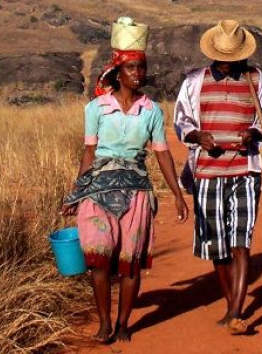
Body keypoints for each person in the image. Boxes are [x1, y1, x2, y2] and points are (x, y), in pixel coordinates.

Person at [62, 17, 189, 344]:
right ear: (118, 72)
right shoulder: (96, 108)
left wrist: (177, 194)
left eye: (141, 68)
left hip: (136, 192)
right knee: (99, 261)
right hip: (98, 190)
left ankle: (123, 324)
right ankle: (105, 323)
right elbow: (89, 153)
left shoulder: (151, 111)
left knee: (130, 264)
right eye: (131, 68)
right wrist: (76, 193)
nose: (138, 73)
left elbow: (161, 153)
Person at [173, 19, 262, 335]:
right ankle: (233, 308)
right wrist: (197, 137)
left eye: (235, 57)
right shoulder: (195, 81)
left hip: (245, 171)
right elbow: (181, 121)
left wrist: (252, 134)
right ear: (214, 54)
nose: (230, 64)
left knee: (241, 241)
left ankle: (235, 312)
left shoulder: (254, 78)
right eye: (225, 58)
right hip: (207, 172)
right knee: (217, 246)